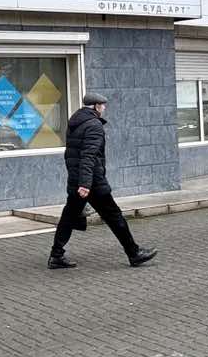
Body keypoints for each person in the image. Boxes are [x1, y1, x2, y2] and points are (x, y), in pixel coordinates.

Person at [48, 92, 157, 270]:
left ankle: (56, 255)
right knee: (114, 216)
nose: (104, 108)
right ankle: (134, 253)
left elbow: (72, 155)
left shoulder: (75, 122)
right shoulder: (94, 125)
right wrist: (85, 184)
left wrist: (78, 181)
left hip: (78, 179)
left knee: (68, 217)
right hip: (92, 182)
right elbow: (88, 155)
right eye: (103, 105)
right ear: (96, 106)